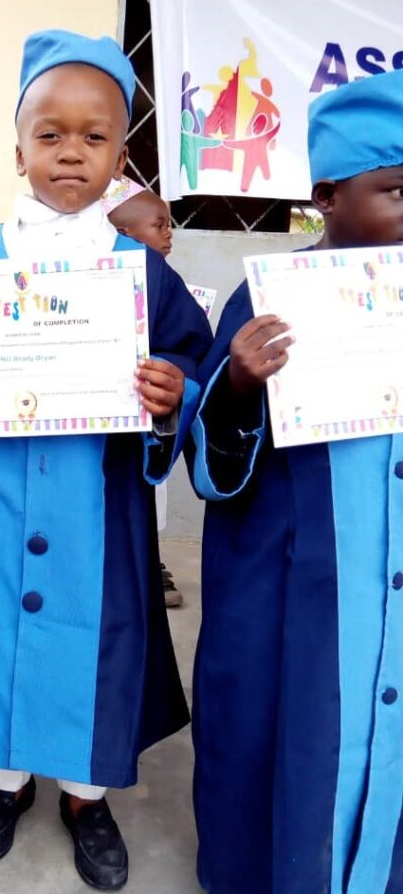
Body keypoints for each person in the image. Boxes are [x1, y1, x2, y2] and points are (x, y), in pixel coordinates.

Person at [0, 30, 212, 890]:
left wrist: (174, 393)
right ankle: (3, 787)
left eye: (94, 137)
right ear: (16, 148)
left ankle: (86, 800)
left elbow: (193, 371)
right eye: (49, 134)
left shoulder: (143, 271)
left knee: (91, 646)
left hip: (96, 501)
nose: (70, 152)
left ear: (120, 156)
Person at [189, 69, 403, 894]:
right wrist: (239, 383)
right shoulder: (269, 297)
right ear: (325, 197)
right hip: (292, 595)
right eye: (394, 190)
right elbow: (210, 469)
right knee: (282, 735)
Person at [103, 179, 183, 608]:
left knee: (152, 494)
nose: (169, 233)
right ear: (126, 236)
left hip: (147, 414)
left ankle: (152, 561)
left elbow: (185, 344)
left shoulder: (163, 279)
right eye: (160, 225)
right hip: (99, 415)